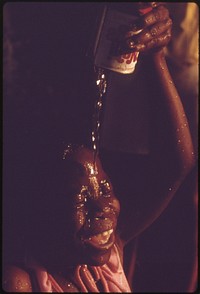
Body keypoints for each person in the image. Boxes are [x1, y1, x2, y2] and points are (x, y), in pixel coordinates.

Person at [3, 2, 196, 292]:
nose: (104, 206)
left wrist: (156, 56)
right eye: (81, 198)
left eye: (105, 189)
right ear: (42, 206)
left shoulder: (108, 253)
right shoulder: (21, 281)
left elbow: (177, 164)